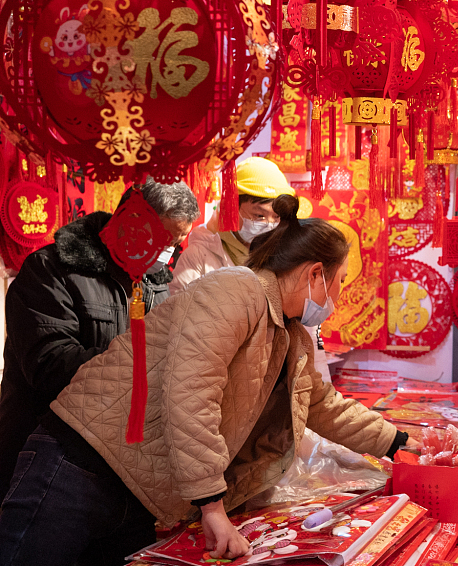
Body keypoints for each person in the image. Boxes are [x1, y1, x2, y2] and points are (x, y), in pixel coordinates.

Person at [0, 195, 413, 565]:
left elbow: (322, 405)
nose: (337, 300)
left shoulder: (291, 334)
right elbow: (191, 394)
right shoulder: (236, 292)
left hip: (140, 488)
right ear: (316, 274)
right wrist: (211, 506)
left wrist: (402, 444)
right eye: (339, 283)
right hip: (79, 464)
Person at [0, 178, 199, 501]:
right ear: (130, 220)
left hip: (120, 463)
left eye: (176, 243)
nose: (167, 252)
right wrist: (147, 360)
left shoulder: (154, 281)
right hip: (46, 456)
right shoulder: (51, 269)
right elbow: (49, 365)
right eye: (163, 238)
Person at [170, 156, 295, 294]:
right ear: (232, 209)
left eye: (276, 217)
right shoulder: (198, 256)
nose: (269, 225)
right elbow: (180, 311)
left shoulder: (281, 255)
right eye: (259, 216)